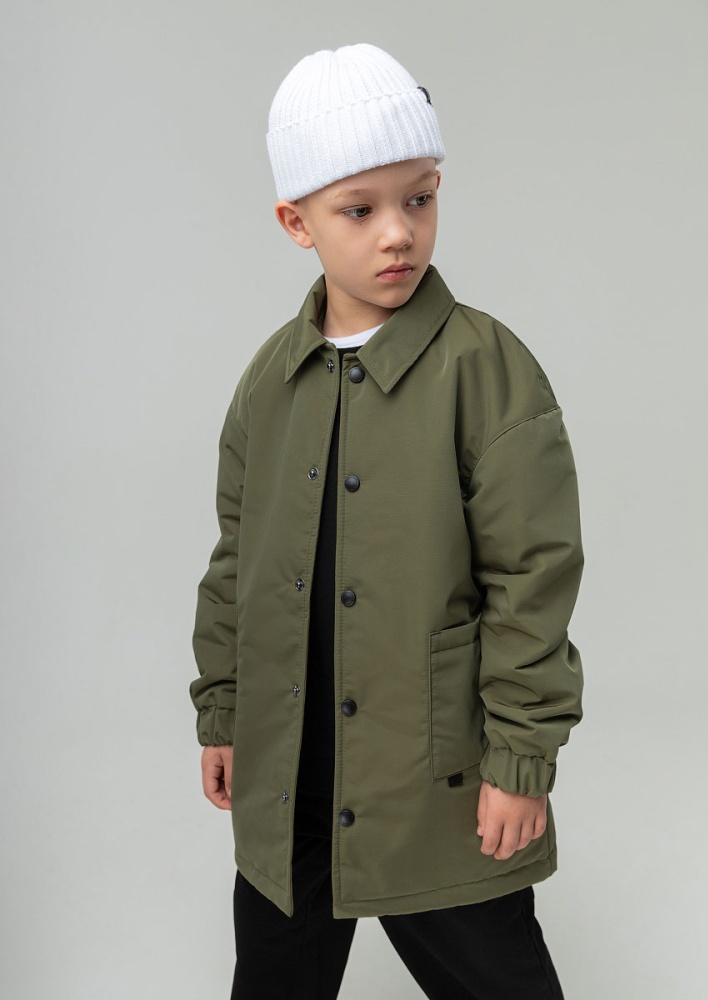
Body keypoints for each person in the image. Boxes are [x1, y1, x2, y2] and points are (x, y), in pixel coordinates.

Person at [190, 42, 584, 1000]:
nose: (399, 234)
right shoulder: (269, 382)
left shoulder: (486, 369)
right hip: (291, 775)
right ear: (297, 222)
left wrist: (519, 760)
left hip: (435, 781)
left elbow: (532, 577)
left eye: (420, 198)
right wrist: (225, 711)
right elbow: (237, 559)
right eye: (359, 210)